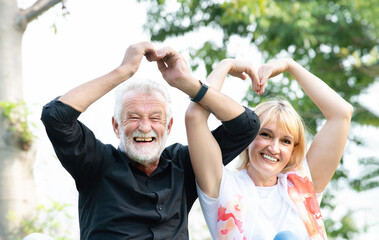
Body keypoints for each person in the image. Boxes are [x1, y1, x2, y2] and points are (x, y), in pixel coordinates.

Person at [40, 42, 260, 239]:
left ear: (169, 126)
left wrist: (188, 83)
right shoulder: (96, 163)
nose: (145, 127)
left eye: (155, 118)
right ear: (116, 126)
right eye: (133, 117)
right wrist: (123, 71)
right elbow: (55, 116)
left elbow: (246, 126)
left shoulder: (185, 163)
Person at [185, 58, 353, 239]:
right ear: (249, 138)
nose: (274, 148)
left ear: (293, 149)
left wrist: (291, 66)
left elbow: (341, 113)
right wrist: (225, 65)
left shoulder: (301, 186)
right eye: (265, 134)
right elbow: (194, 117)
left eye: (286, 141)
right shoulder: (224, 186)